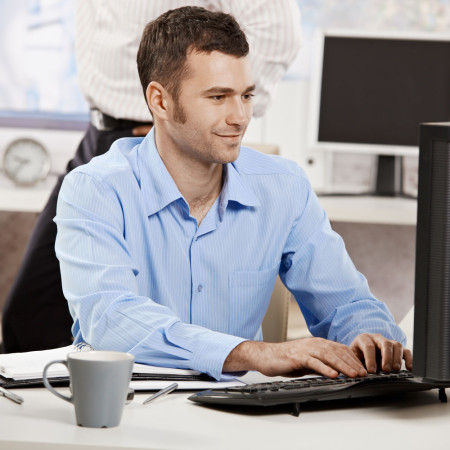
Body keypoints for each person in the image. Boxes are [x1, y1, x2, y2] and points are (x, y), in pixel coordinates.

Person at [54, 6, 412, 381]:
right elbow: (112, 321)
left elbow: (345, 304)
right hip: (132, 412)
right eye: (218, 97)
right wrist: (254, 354)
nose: (240, 116)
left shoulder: (283, 186)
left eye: (246, 95)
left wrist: (370, 337)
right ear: (160, 101)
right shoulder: (95, 189)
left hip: (241, 415)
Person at [1, 0, 301, 352]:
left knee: (167, 309)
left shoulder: (285, 183)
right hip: (102, 130)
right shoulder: (93, 181)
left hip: (161, 131)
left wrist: (209, 105)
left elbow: (278, 34)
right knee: (31, 316)